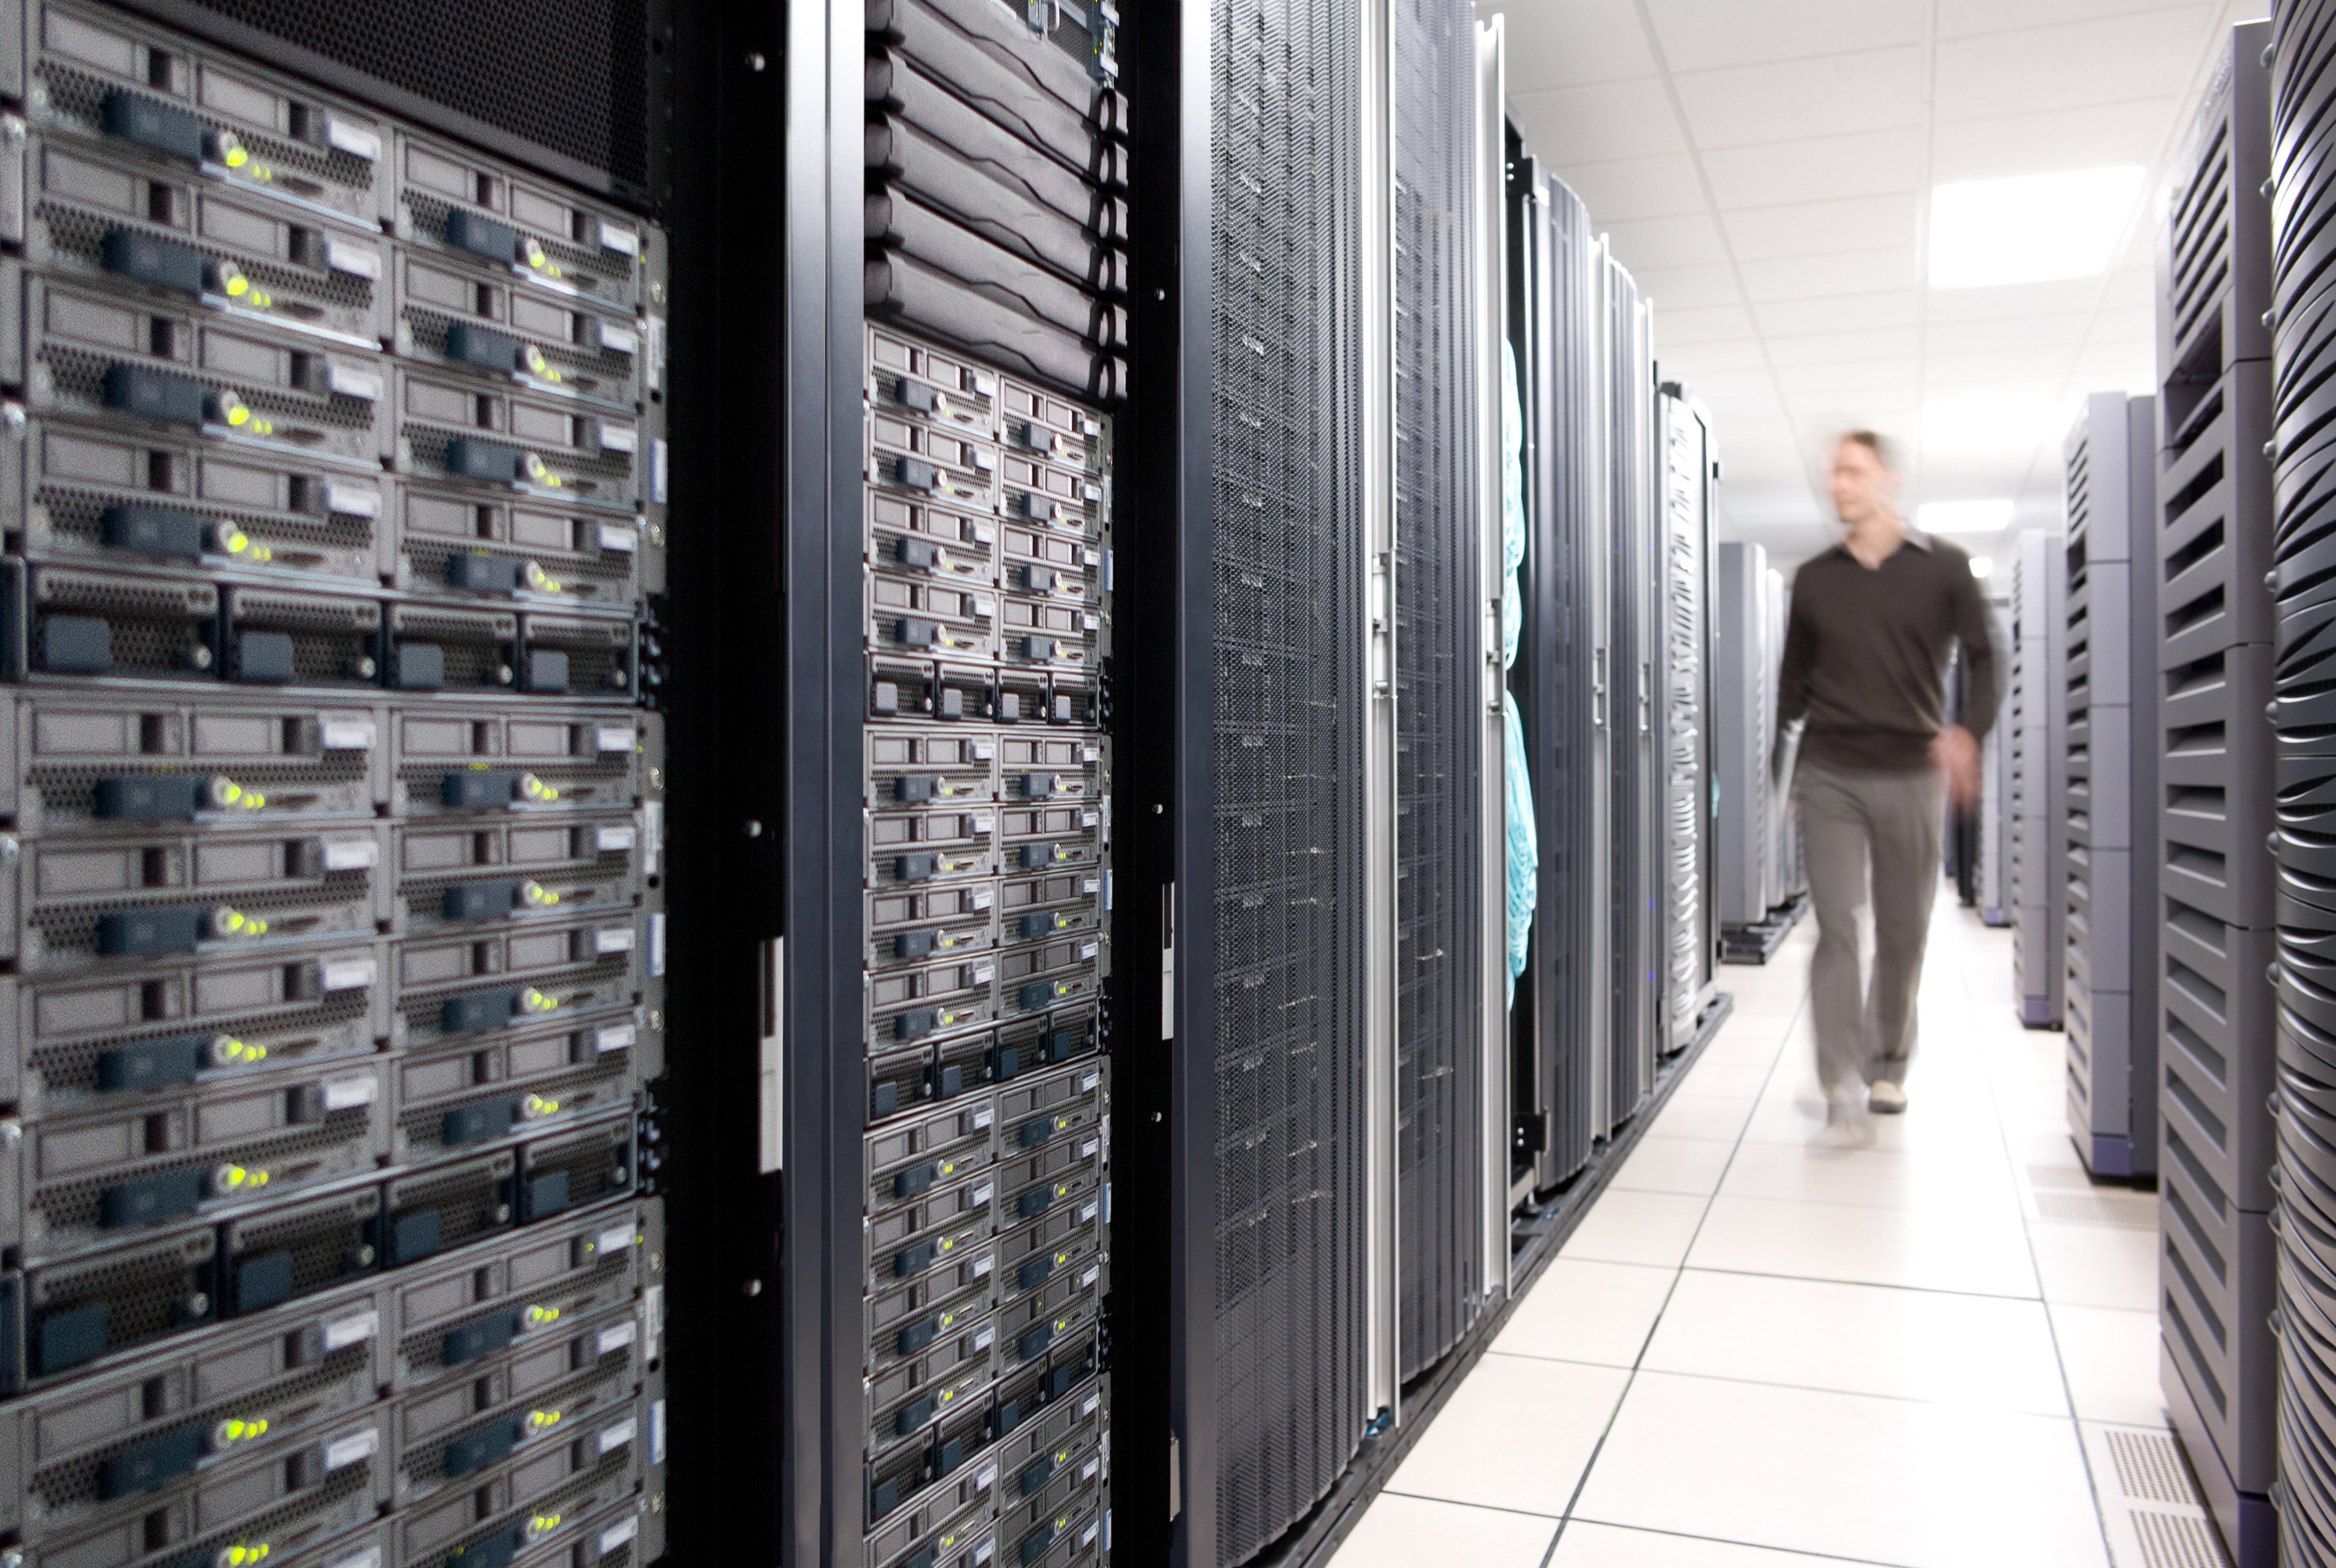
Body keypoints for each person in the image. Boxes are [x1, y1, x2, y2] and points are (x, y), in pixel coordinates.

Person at [1776, 430, 1999, 1141]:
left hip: (1911, 773)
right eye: (1831, 473)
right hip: (1830, 769)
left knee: (1903, 930)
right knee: (1837, 924)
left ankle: (1887, 1065)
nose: (1836, 484)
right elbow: (1791, 685)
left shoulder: (1943, 569)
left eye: (1849, 471)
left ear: (1886, 480)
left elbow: (1988, 657)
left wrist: (1969, 731)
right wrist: (1780, 775)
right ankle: (1837, 1069)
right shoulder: (1813, 578)